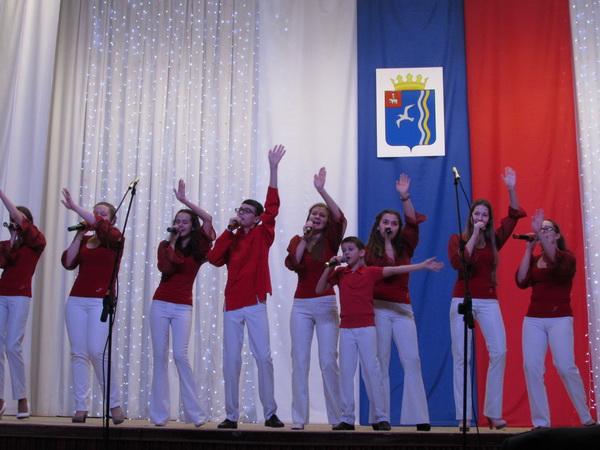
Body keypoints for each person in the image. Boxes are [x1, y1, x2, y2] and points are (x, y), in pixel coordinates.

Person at [316, 236, 443, 431]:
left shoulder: (370, 272)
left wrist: (422, 266)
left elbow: (395, 270)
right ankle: (347, 418)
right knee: (346, 374)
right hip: (347, 329)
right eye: (344, 250)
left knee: (373, 371)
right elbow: (319, 288)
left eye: (350, 249)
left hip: (367, 328)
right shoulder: (340, 273)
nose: (346, 253)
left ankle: (381, 416)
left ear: (362, 252)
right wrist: (329, 266)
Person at [208, 145, 286, 429]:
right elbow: (214, 259)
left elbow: (273, 206)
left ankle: (270, 413)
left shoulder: (263, 233)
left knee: (263, 357)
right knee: (231, 360)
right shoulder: (232, 237)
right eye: (240, 209)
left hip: (255, 303)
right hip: (232, 304)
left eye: (247, 211)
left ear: (257, 217)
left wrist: (273, 168)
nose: (241, 213)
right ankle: (231, 415)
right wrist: (228, 230)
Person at [448, 167, 525, 431]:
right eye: (476, 214)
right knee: (461, 356)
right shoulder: (458, 239)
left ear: (489, 219)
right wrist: (473, 236)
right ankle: (463, 416)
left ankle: (493, 412)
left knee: (500, 351)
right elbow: (459, 262)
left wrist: (511, 189)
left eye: (484, 215)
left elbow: (514, 217)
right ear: (471, 217)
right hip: (462, 299)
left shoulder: (494, 240)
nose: (480, 217)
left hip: (489, 299)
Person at [515, 209, 595, 428]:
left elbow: (557, 261)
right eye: (540, 229)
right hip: (534, 319)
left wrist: (539, 235)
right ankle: (541, 423)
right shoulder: (536, 260)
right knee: (531, 367)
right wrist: (528, 249)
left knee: (565, 366)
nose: (543, 232)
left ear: (557, 235)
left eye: (547, 229)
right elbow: (521, 281)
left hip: (559, 318)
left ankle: (586, 418)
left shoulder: (567, 257)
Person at [365, 174, 430, 431]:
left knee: (412, 359)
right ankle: (379, 416)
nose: (390, 225)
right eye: (386, 222)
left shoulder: (407, 246)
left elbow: (412, 222)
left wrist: (405, 197)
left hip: (402, 310)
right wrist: (387, 242)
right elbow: (386, 268)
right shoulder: (370, 250)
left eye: (394, 223)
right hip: (379, 309)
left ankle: (419, 416)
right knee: (380, 360)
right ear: (378, 226)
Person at [149, 180, 215, 427]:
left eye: (185, 222)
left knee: (180, 354)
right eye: (177, 221)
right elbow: (166, 268)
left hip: (182, 306)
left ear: (192, 226)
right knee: (159, 355)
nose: (180, 225)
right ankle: (159, 415)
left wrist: (185, 201)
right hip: (160, 303)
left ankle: (195, 414)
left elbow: (208, 219)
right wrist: (173, 241)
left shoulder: (200, 245)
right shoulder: (166, 245)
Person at [285, 167, 346, 430]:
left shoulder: (332, 239)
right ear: (308, 218)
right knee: (299, 360)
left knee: (328, 361)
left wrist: (321, 190)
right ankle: (299, 418)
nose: (317, 217)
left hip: (325, 304)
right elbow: (294, 262)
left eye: (321, 215)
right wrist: (305, 237)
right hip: (301, 305)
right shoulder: (298, 239)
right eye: (314, 214)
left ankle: (336, 419)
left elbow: (339, 216)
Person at [61, 188, 125, 424]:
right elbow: (68, 262)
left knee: (97, 351)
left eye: (102, 214)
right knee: (78, 352)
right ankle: (81, 406)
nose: (96, 217)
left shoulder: (115, 238)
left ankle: (113, 403)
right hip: (77, 300)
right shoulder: (86, 240)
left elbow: (102, 227)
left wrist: (75, 206)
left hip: (101, 300)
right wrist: (79, 235)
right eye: (94, 212)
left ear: (112, 220)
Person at [0, 190, 46, 419]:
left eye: (19, 220)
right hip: (2, 295)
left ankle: (21, 397)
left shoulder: (36, 243)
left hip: (20, 296)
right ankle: (0, 398)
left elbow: (23, 224)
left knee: (12, 345)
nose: (15, 223)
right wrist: (11, 239)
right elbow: (3, 261)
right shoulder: (7, 245)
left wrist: (1, 194)